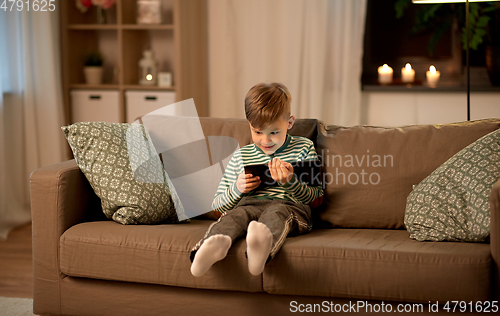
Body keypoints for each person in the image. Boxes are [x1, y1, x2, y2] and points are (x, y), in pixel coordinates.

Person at [190, 82, 324, 277]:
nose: (265, 140)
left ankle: (260, 252)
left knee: (277, 212)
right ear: (250, 125)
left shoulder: (304, 148)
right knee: (235, 216)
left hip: (291, 207)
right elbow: (218, 205)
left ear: (290, 122)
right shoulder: (242, 156)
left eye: (274, 132)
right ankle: (215, 245)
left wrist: (290, 182)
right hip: (249, 205)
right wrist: (238, 189)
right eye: (258, 132)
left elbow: (316, 198)